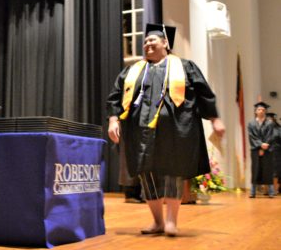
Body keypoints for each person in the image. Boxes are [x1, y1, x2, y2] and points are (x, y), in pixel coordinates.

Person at [106, 23, 225, 237]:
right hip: (140, 131)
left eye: (152, 40)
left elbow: (204, 93)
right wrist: (113, 120)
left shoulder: (185, 66)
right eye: (145, 41)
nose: (147, 44)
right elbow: (115, 96)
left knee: (174, 172)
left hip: (176, 129)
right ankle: (157, 221)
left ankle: (171, 221)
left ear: (165, 43)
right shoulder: (133, 71)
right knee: (146, 173)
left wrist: (215, 118)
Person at [247, 103, 275, 198]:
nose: (261, 111)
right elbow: (252, 136)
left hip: (267, 150)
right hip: (255, 150)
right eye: (259, 110)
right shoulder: (251, 123)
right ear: (256, 111)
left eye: (263, 110)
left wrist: (265, 145)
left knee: (268, 170)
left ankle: (271, 192)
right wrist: (260, 145)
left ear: (265, 111)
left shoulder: (270, 123)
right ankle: (253, 192)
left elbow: (270, 135)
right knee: (255, 170)